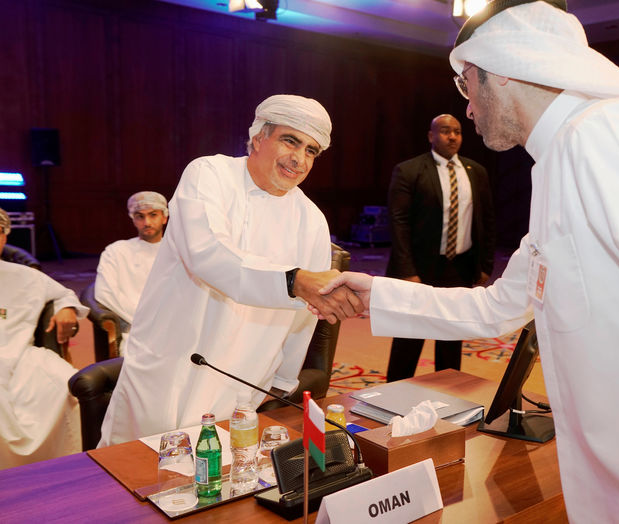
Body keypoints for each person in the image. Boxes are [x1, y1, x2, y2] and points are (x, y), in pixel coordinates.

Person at [317, 2, 619, 522]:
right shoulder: (559, 161)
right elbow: (501, 306)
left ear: (498, 70)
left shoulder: (608, 136)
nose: (470, 109)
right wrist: (378, 294)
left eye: (466, 85)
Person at [99, 94, 362, 446]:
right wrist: (292, 280)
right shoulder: (208, 174)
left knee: (220, 474)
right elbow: (207, 253)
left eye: (311, 150)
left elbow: (307, 312)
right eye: (290, 141)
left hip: (244, 370)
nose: (299, 159)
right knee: (135, 467)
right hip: (172, 356)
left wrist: (283, 379)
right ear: (258, 137)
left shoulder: (312, 219)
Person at [385, 114, 494, 380]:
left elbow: (486, 220)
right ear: (431, 136)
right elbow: (398, 223)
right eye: (445, 131)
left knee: (451, 336)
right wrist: (407, 270)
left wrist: (484, 266)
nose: (453, 136)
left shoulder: (475, 172)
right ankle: (395, 392)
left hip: (459, 266)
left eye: (457, 131)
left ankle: (449, 390)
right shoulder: (409, 170)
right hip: (419, 268)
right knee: (410, 336)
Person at [0, 207, 87, 467]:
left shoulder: (25, 276)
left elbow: (65, 294)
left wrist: (66, 310)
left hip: (20, 354)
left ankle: (66, 468)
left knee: (64, 384)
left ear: (4, 237)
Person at [94, 191, 168, 355]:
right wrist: (144, 321)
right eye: (140, 216)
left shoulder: (178, 252)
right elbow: (104, 294)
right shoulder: (116, 251)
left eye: (153, 215)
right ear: (133, 219)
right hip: (136, 329)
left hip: (174, 326)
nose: (146, 222)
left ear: (164, 217)